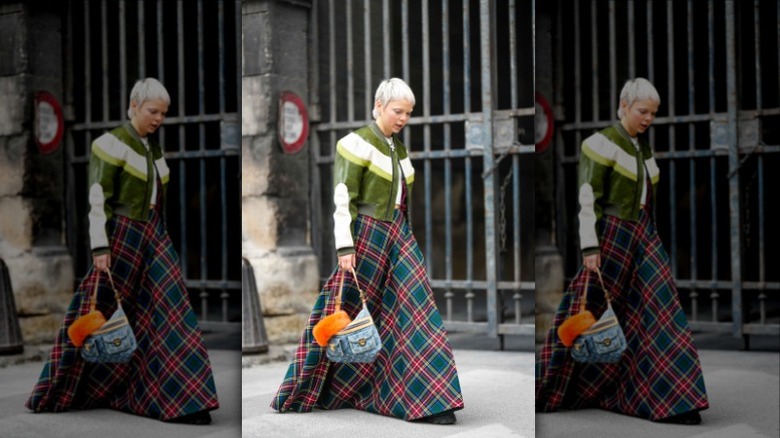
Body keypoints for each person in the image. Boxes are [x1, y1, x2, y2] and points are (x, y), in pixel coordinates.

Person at [271, 78, 464, 424]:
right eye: (397, 111)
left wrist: (405, 234)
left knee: (416, 308)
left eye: (408, 113)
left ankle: (434, 400)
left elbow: (404, 200)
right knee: (347, 308)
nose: (403, 118)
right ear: (378, 106)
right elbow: (343, 199)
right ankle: (310, 388)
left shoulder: (401, 151)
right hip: (365, 236)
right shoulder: (354, 143)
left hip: (399, 234)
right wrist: (345, 245)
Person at [26, 78, 219, 425]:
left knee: (171, 308)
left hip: (154, 234)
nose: (158, 118)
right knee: (102, 309)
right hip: (121, 236)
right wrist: (100, 246)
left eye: (163, 113)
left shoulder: (155, 150)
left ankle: (188, 400)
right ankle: (60, 389)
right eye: (152, 111)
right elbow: (97, 200)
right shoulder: (109, 144)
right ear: (133, 106)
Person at [536, 78, 709, 424]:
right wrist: (589, 245)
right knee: (590, 310)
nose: (648, 118)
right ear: (624, 106)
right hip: (611, 235)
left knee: (661, 309)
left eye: (654, 113)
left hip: (644, 235)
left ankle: (676, 401)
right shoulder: (599, 144)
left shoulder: (643, 149)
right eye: (643, 111)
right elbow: (588, 198)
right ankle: (549, 387)